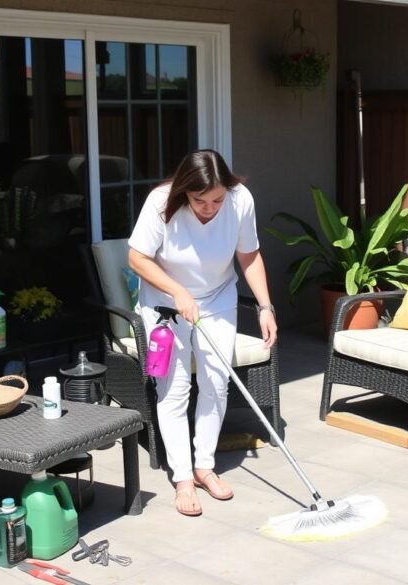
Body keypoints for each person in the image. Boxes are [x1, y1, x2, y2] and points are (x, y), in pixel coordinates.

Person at [128, 149, 277, 517]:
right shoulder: (160, 203)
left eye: (217, 199)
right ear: (184, 192)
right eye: (200, 200)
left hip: (217, 298)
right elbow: (136, 257)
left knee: (216, 382)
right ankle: (182, 477)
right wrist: (177, 291)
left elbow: (249, 255)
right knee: (174, 388)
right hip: (165, 304)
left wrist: (265, 306)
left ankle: (204, 466)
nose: (210, 207)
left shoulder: (240, 200)